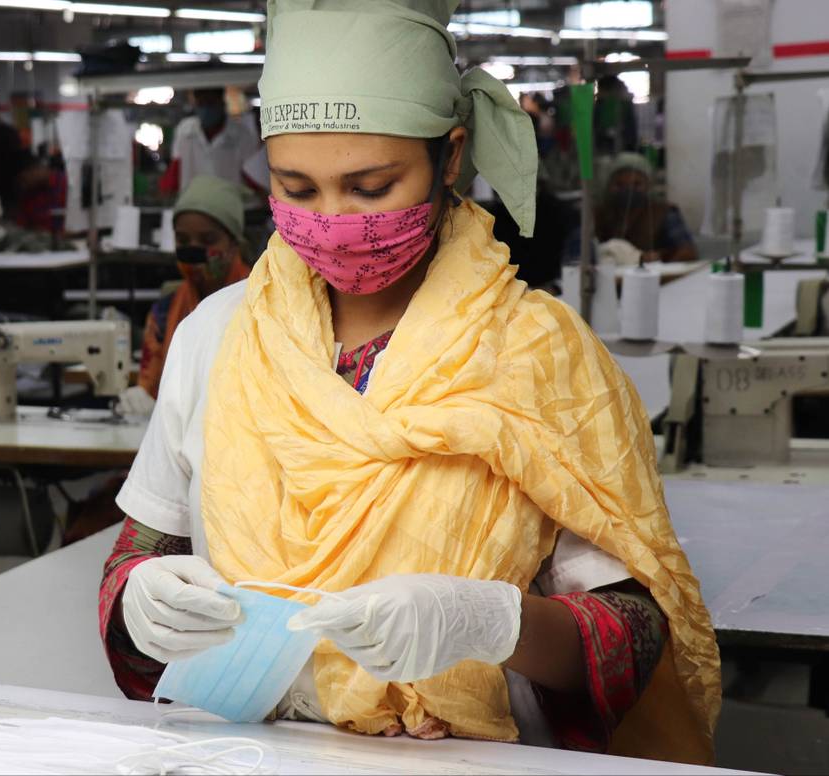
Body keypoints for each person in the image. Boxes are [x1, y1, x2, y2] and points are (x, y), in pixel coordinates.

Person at [98, 0, 719, 764]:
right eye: (296, 189)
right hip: (247, 751)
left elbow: (642, 632)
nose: (332, 219)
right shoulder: (216, 336)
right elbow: (140, 551)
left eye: (370, 187)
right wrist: (139, 600)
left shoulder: (538, 355)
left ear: (450, 156)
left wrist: (492, 621)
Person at [118, 175, 252, 416]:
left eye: (208, 239)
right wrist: (140, 398)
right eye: (183, 240)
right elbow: (149, 384)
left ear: (234, 244)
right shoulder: (165, 311)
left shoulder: (263, 305)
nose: (193, 248)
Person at [595, 152, 698, 265]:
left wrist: (658, 259)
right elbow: (582, 252)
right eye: (619, 184)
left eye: (636, 184)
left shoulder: (664, 213)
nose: (628, 190)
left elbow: (688, 253)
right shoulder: (598, 214)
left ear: (648, 185)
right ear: (609, 185)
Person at [159, 88, 260, 195]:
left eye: (210, 103)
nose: (206, 109)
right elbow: (175, 169)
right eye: (201, 104)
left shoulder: (241, 134)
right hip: (193, 202)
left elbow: (252, 174)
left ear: (221, 102)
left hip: (229, 202)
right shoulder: (185, 131)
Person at [15, 153, 68, 235]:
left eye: (24, 179)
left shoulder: (67, 183)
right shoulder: (28, 196)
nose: (24, 185)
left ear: (34, 170)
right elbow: (21, 228)